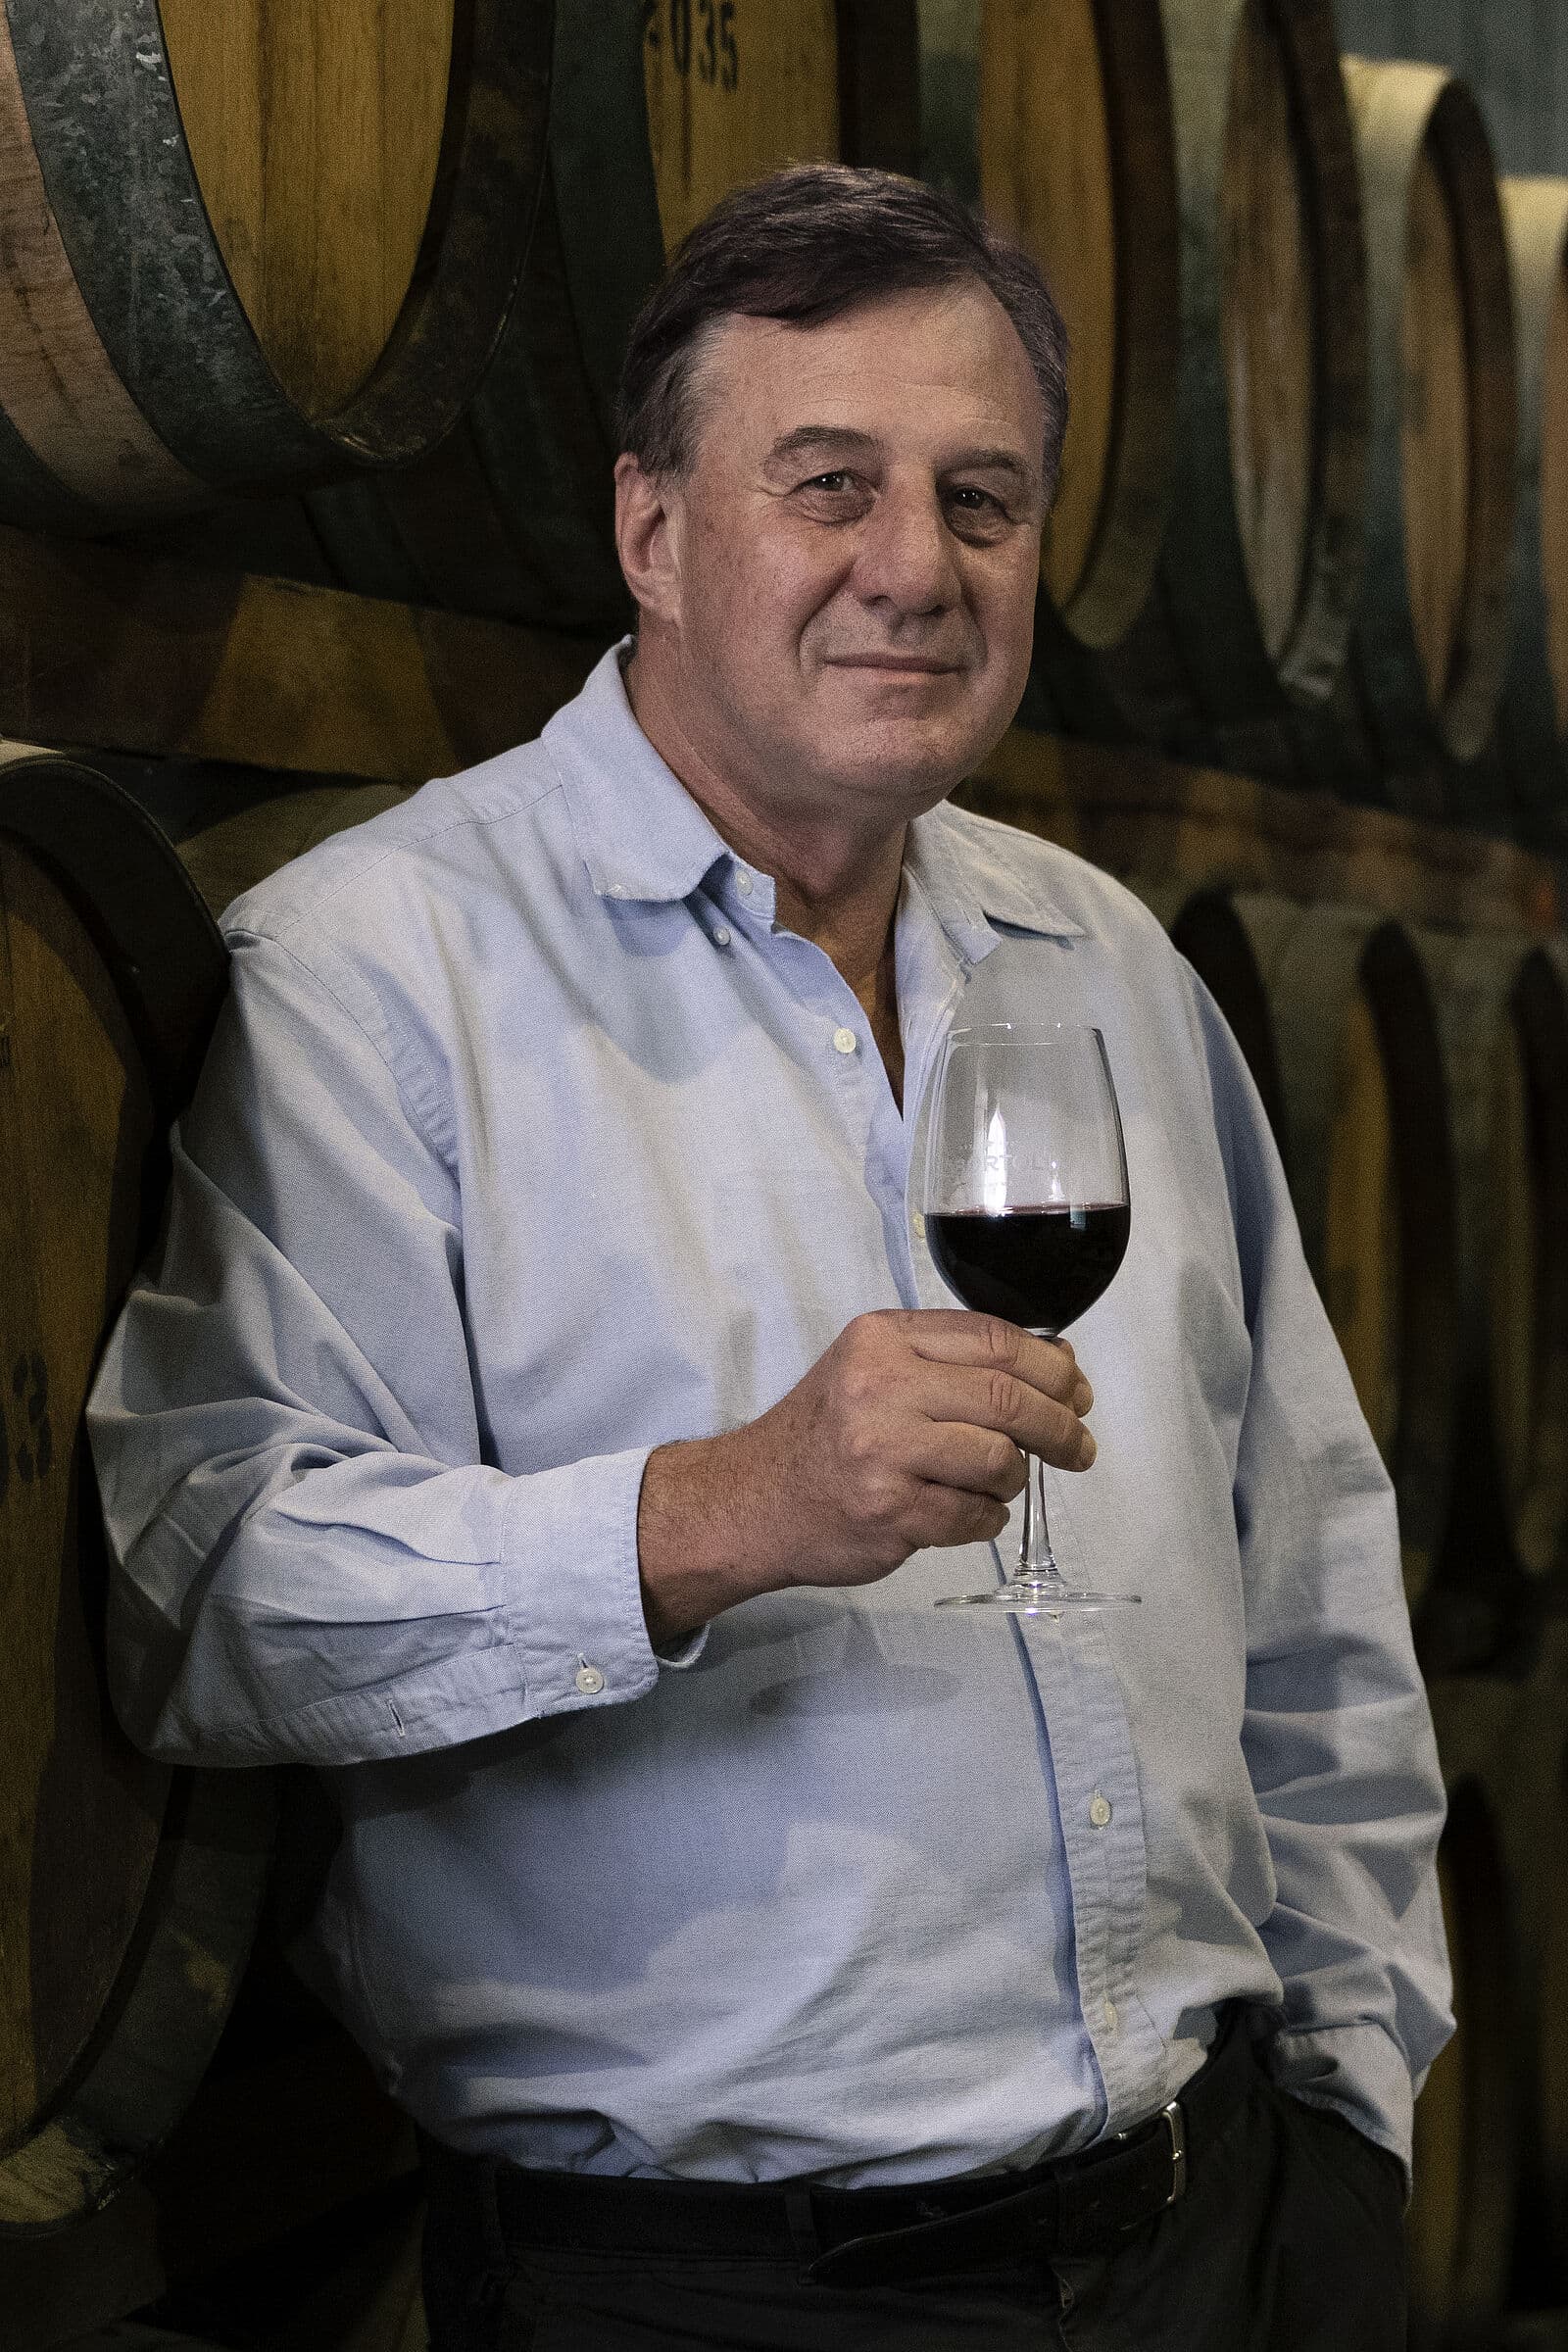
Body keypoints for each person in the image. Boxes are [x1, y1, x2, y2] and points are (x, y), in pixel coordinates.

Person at [89, 165, 1450, 2350]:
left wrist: (1351, 2117)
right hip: (700, 2292)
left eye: (981, 499)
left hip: (1215, 2241)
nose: (914, 565)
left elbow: (1308, 1575)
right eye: (829, 485)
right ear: (650, 530)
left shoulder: (1106, 961)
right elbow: (208, 1584)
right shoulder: (379, 972)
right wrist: (713, 1512)